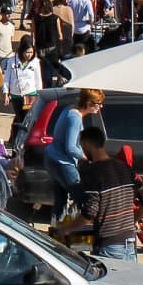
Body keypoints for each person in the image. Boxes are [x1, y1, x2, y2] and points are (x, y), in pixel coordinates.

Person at [74, 129, 143, 263]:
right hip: (130, 243)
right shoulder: (124, 167)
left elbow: (90, 212)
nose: (82, 150)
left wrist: (67, 228)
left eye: (82, 146)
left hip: (109, 247)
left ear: (86, 144)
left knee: (109, 282)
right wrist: (133, 221)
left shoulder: (94, 172)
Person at [45, 88, 103, 222]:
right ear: (89, 104)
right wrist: (86, 158)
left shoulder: (69, 109)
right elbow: (70, 147)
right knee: (82, 199)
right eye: (98, 104)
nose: (100, 107)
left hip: (52, 157)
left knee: (60, 199)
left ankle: (56, 229)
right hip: (63, 163)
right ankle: (78, 232)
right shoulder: (75, 118)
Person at [4, 38, 41, 144]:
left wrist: (39, 94)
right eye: (27, 52)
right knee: (19, 116)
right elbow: (7, 78)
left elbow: (38, 80)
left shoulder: (35, 62)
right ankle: (15, 138)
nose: (29, 55)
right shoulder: (12, 61)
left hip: (30, 94)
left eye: (31, 52)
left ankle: (23, 139)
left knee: (26, 117)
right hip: (16, 95)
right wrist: (6, 93)